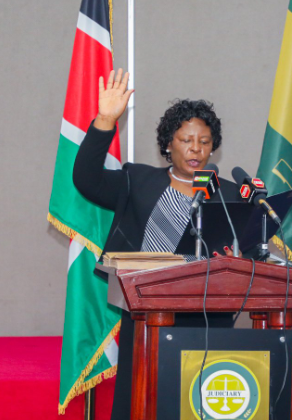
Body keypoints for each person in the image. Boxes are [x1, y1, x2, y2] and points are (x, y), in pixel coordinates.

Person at [73, 68, 238, 420]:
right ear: (168, 144)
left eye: (205, 141)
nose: (196, 149)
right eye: (186, 140)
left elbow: (249, 253)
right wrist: (105, 120)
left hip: (211, 325)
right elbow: (86, 179)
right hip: (149, 320)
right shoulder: (139, 181)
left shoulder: (229, 194)